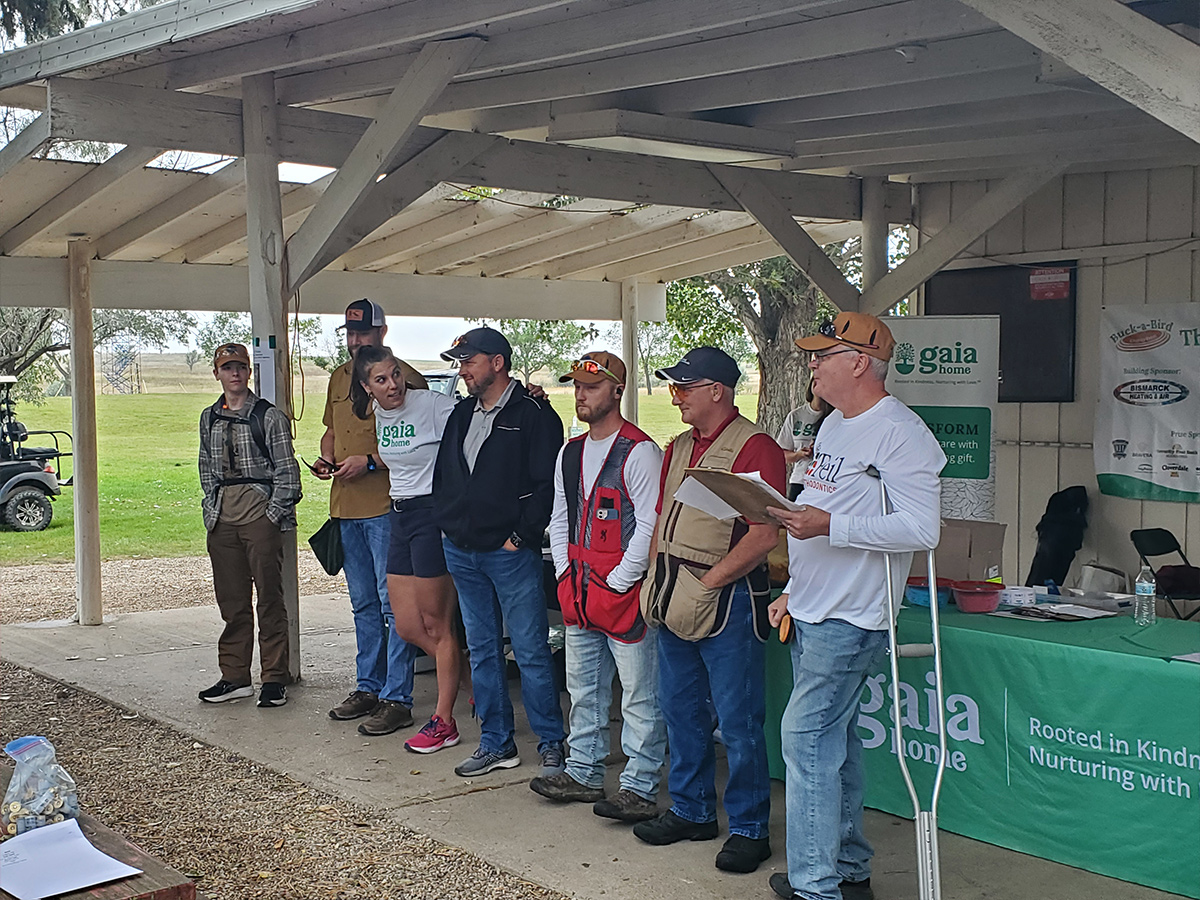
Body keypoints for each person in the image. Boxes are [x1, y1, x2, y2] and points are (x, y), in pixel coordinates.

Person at [765, 312, 945, 900]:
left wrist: (830, 526)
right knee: (830, 743)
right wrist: (798, 586)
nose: (812, 364)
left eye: (823, 355)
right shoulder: (838, 426)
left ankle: (815, 887)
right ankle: (845, 869)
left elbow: (922, 528)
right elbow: (823, 507)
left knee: (806, 739)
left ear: (860, 362)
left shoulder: (902, 433)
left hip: (853, 616)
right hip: (817, 607)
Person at [635, 347, 785, 875]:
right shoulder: (678, 447)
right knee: (680, 709)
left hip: (731, 600)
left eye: (684, 388)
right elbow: (659, 519)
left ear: (716, 391)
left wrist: (711, 582)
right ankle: (692, 809)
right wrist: (653, 578)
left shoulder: (756, 448)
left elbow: (766, 534)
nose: (674, 397)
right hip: (677, 588)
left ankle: (749, 828)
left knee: (740, 720)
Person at [531, 351, 667, 823]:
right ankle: (583, 771)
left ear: (616, 390)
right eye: (577, 385)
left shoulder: (640, 451)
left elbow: (650, 525)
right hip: (581, 590)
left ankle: (640, 784)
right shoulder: (570, 451)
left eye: (591, 386)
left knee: (639, 695)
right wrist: (566, 574)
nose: (581, 394)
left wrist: (620, 579)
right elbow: (560, 515)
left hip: (622, 594)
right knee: (583, 688)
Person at [432, 327, 568, 779]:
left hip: (509, 552)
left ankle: (552, 743)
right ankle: (496, 743)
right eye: (460, 360)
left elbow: (547, 484)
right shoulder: (460, 413)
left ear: (497, 362)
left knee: (530, 650)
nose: (463, 368)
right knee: (483, 649)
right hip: (462, 550)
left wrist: (522, 536)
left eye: (469, 359)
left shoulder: (534, 414)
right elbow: (446, 475)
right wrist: (448, 528)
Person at [316, 299, 425, 737]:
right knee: (363, 604)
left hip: (385, 506)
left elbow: (417, 440)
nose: (356, 341)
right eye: (350, 333)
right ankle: (368, 687)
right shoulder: (339, 378)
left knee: (393, 603)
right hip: (345, 506)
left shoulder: (404, 379)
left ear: (382, 333)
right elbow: (331, 429)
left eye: (364, 333)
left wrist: (372, 462)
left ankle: (398, 696)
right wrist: (328, 457)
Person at [352, 344, 465, 753]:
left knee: (437, 624)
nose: (393, 384)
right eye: (381, 380)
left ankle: (444, 721)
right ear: (368, 387)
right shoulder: (380, 415)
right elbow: (392, 458)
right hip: (399, 514)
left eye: (395, 374)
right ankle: (475, 679)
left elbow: (474, 428)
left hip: (432, 512)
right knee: (406, 626)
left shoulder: (433, 405)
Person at [197, 342, 301, 709]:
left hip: (259, 515)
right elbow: (206, 467)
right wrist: (212, 507)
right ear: (217, 374)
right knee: (232, 602)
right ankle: (234, 676)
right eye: (227, 368)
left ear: (249, 372)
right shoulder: (209, 417)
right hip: (223, 517)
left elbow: (288, 472)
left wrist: (271, 514)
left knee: (270, 600)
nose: (235, 374)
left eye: (240, 367)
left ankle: (274, 677)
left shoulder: (268, 417)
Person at [776, 387, 832, 501]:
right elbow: (781, 454)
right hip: (800, 479)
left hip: (825, 483)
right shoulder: (796, 415)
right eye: (814, 380)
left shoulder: (838, 415)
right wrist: (799, 455)